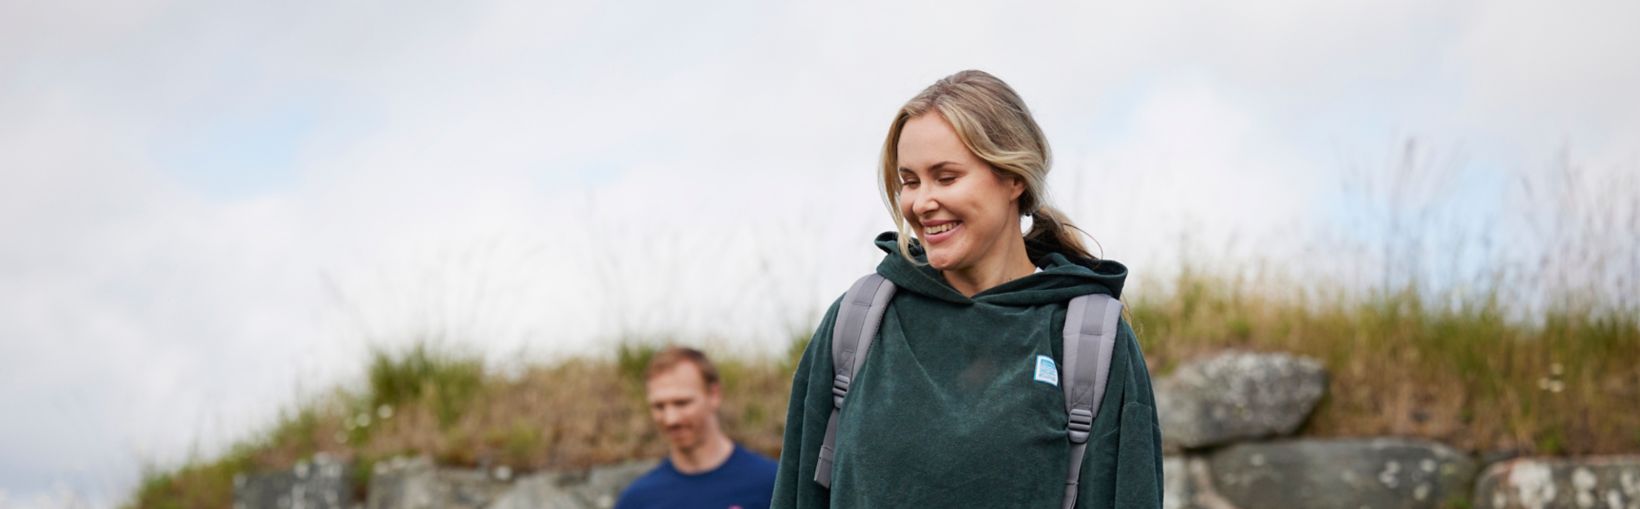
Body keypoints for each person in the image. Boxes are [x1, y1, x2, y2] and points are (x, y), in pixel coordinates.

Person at [771, 70, 1163, 508]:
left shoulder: (1091, 341)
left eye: (946, 176)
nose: (921, 203)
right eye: (910, 181)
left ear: (1014, 178)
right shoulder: (858, 323)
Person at [616, 346, 778, 509]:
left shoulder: (773, 484)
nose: (671, 419)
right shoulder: (637, 500)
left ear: (714, 395)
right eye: (659, 406)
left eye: (682, 403)